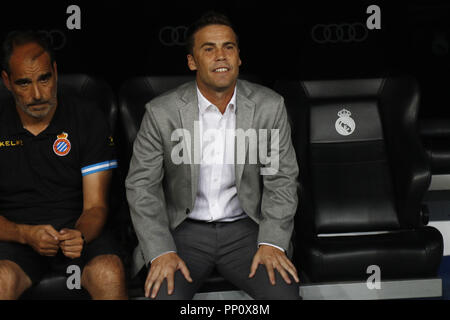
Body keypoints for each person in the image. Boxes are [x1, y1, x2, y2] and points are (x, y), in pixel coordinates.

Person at [126, 12, 300, 300]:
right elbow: (141, 187)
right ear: (192, 61)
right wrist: (161, 251)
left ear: (239, 57)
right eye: (209, 49)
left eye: (228, 47)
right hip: (183, 232)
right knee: (164, 297)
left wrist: (272, 242)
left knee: (284, 295)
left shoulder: (269, 106)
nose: (221, 56)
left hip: (247, 230)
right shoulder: (161, 113)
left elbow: (281, 180)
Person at [0, 31, 127, 300]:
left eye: (44, 78)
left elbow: (95, 207)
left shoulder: (87, 117)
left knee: (109, 272)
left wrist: (78, 235)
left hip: (79, 233)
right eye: (24, 83)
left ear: (55, 72)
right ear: (7, 81)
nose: (37, 94)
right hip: (15, 237)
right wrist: (25, 234)